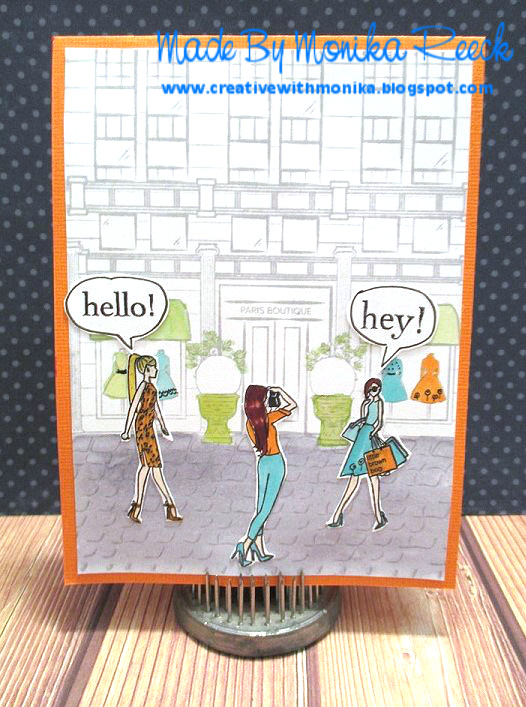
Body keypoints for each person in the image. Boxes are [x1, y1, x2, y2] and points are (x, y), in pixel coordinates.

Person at [231, 385, 297, 567]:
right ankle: (245, 545)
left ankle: (258, 547)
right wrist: (280, 391)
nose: (268, 402)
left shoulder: (249, 423)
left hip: (262, 463)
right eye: (265, 399)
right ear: (259, 402)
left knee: (260, 508)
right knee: (265, 510)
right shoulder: (269, 418)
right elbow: (292, 405)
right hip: (276, 464)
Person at [121, 354, 182, 524]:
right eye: (153, 367)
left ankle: (141, 507)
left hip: (149, 428)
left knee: (151, 467)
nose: (156, 369)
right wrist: (126, 430)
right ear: (147, 370)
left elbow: (157, 409)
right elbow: (133, 408)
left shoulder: (152, 387)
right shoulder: (143, 386)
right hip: (143, 428)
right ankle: (163, 506)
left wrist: (163, 426)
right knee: (150, 467)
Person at [327, 378, 388, 531]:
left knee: (374, 476)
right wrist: (357, 424)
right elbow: (363, 418)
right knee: (355, 476)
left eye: (377, 388)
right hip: (362, 437)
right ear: (367, 390)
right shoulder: (366, 403)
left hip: (369, 437)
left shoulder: (379, 402)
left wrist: (373, 432)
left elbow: (379, 422)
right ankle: (337, 515)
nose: (375, 391)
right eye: (372, 389)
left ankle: (378, 516)